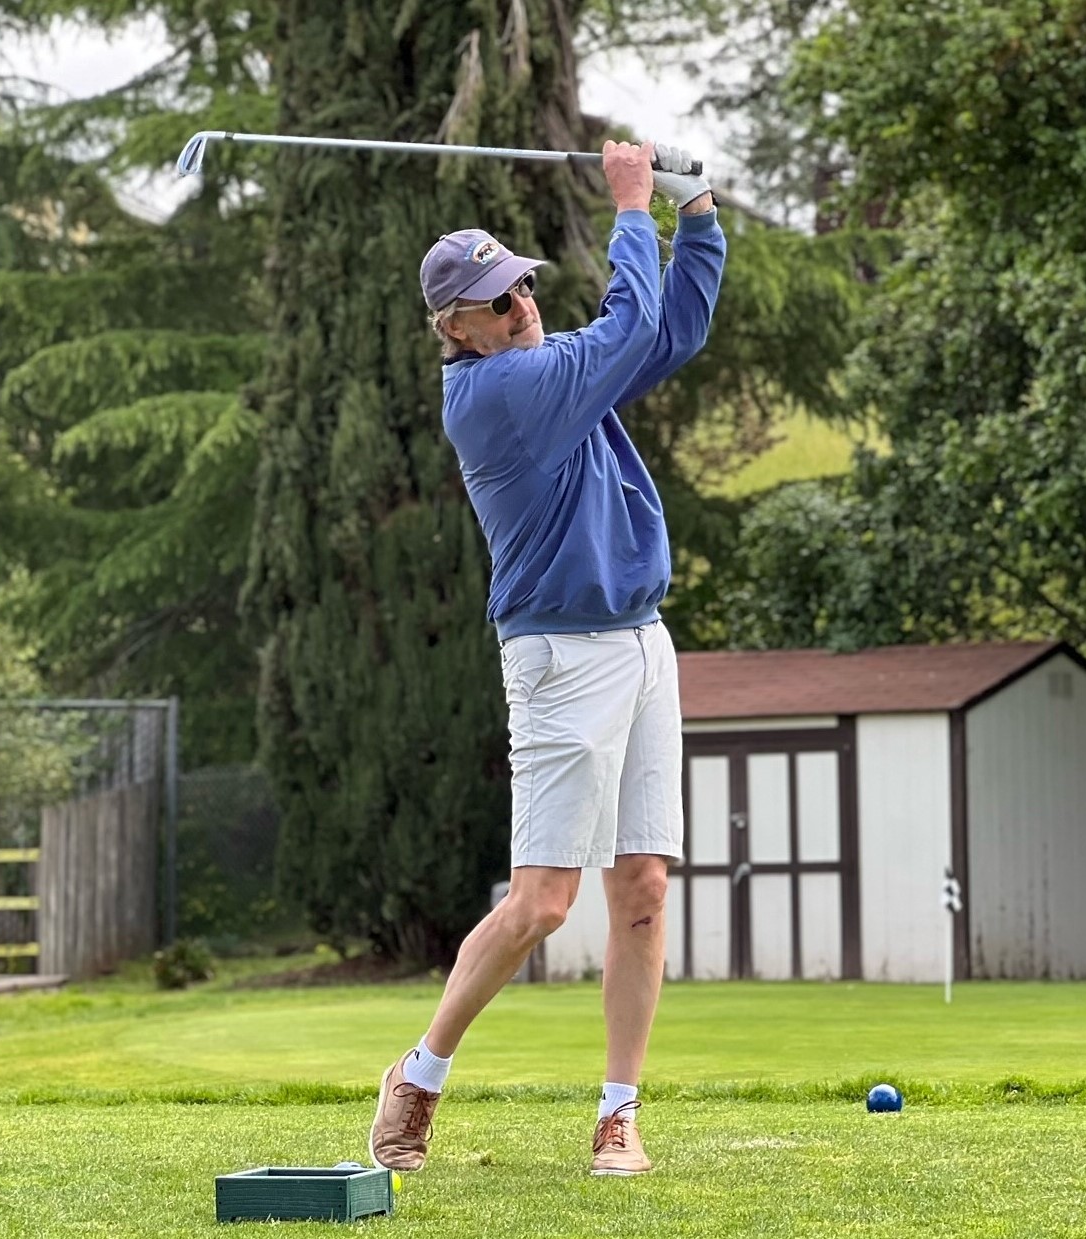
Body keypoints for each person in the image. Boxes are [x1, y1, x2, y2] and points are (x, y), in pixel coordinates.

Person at [369, 139, 726, 1178]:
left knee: (644, 888)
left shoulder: (554, 369)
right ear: (455, 328)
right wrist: (628, 205)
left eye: (519, 281)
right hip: (560, 660)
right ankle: (418, 1078)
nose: (520, 299)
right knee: (542, 904)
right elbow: (626, 325)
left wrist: (695, 213)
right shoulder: (497, 399)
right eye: (496, 296)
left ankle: (618, 1113)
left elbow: (668, 326)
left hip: (642, 643)